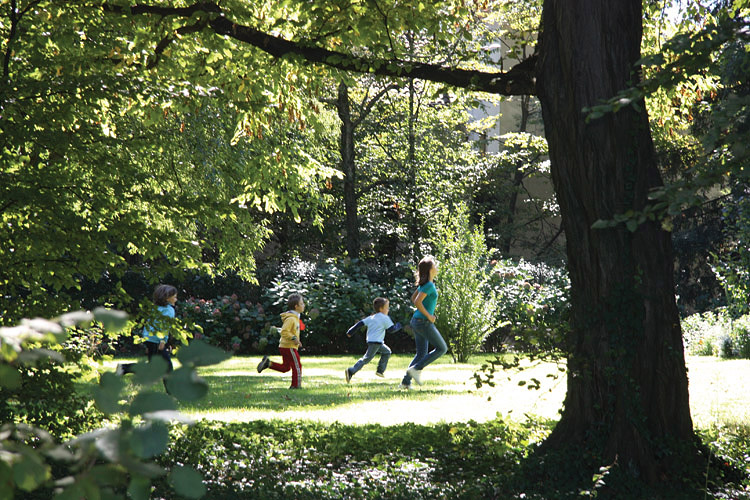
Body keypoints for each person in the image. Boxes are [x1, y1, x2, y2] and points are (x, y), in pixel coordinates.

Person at [400, 255, 447, 389]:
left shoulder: (425, 285)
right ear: (430, 269)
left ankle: (405, 382)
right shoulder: (429, 285)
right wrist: (429, 316)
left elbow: (413, 298)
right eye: (434, 265)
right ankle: (416, 369)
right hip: (423, 322)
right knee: (442, 348)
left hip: (417, 321)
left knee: (421, 354)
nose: (436, 267)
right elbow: (417, 301)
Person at [116, 284, 177, 380]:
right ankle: (125, 367)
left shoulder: (154, 308)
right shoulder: (169, 310)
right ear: (167, 298)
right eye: (174, 297)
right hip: (158, 341)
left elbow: (148, 325)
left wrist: (146, 340)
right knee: (167, 368)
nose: (176, 299)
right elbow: (165, 326)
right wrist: (163, 340)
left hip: (150, 339)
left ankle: (124, 368)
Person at [344, 297, 402, 383]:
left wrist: (350, 332)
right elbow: (391, 330)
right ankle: (351, 371)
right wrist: (399, 326)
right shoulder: (385, 318)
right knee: (366, 359)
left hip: (374, 341)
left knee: (387, 352)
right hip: (376, 342)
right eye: (387, 308)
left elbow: (359, 324)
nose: (388, 310)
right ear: (381, 309)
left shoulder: (372, 317)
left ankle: (380, 371)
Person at [256, 293, 305, 389]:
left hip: (285, 346)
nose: (304, 305)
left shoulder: (294, 318)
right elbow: (284, 331)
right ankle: (295, 385)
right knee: (297, 366)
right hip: (289, 347)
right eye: (302, 303)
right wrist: (294, 339)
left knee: (286, 368)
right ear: (296, 306)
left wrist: (296, 340)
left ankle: (268, 363)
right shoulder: (291, 318)